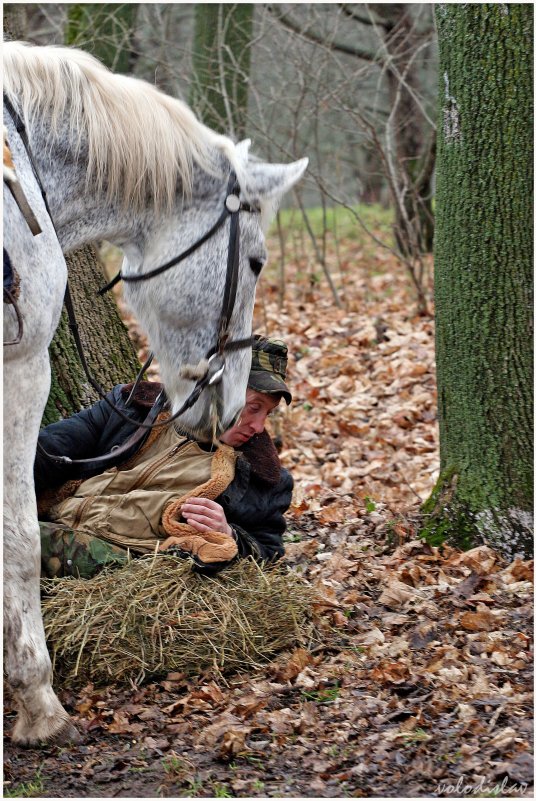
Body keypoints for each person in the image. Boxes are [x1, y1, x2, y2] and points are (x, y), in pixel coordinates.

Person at [36, 336, 293, 578]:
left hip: (125, 561)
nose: (258, 426)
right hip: (56, 518)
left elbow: (270, 554)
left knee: (14, 542)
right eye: (254, 407)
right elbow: (48, 450)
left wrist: (230, 534)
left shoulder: (262, 474)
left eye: (267, 413)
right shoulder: (133, 406)